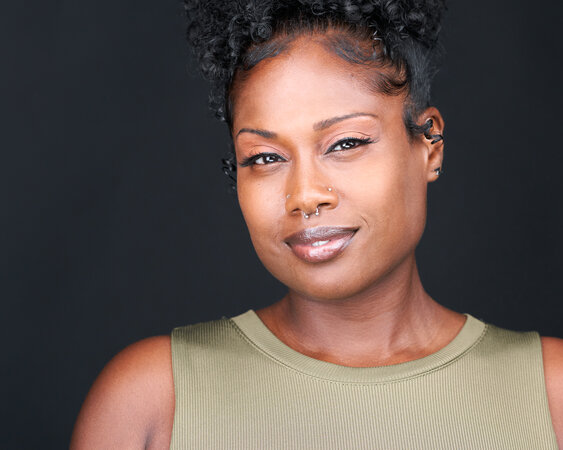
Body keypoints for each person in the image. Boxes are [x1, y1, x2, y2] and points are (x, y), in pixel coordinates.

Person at [70, 1, 563, 448]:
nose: (305, 195)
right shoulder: (153, 402)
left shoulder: (552, 394)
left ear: (429, 145)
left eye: (346, 144)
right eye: (264, 157)